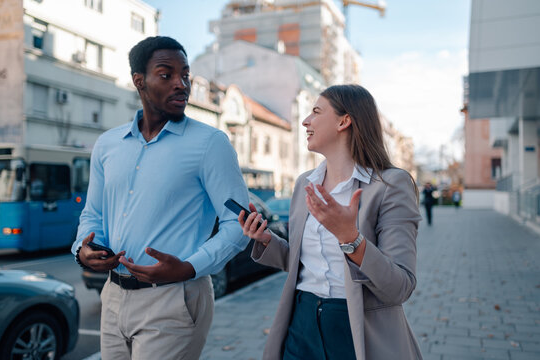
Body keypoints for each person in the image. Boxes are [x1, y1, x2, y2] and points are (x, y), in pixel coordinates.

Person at [71, 36, 249, 360]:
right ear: (139, 81)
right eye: (167, 75)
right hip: (112, 297)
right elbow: (93, 214)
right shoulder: (108, 144)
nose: (181, 84)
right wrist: (82, 249)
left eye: (186, 75)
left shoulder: (211, 144)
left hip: (173, 300)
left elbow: (238, 225)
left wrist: (189, 268)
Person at [240, 84, 423, 360]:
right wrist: (266, 240)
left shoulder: (390, 185)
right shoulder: (306, 183)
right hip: (301, 322)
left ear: (344, 121)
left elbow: (400, 287)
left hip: (356, 329)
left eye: (315, 111)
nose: (305, 121)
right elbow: (301, 263)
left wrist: (351, 239)